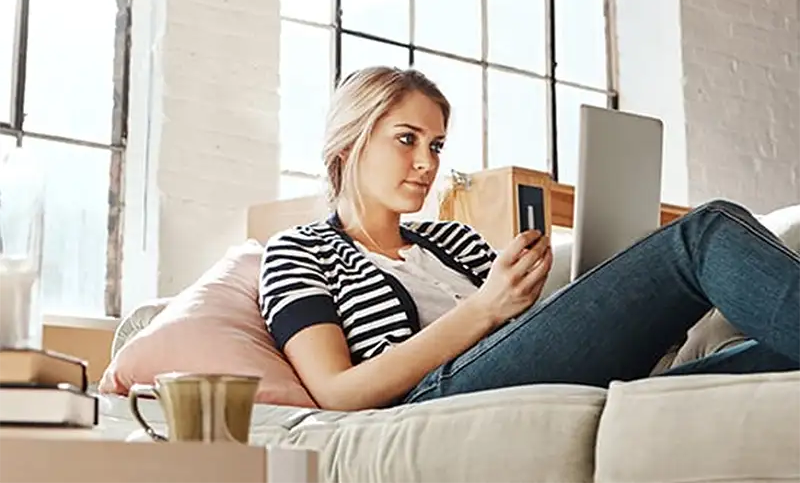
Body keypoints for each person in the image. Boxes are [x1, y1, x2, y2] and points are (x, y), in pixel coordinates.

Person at [259, 66, 800, 412]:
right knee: (704, 232)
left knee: (777, 356)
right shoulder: (299, 251)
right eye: (407, 140)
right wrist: (486, 309)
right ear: (349, 142)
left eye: (438, 145)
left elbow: (538, 336)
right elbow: (336, 391)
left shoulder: (453, 239)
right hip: (433, 394)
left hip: (526, 367)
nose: (427, 163)